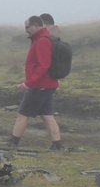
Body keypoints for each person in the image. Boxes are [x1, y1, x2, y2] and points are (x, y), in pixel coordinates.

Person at [8, 14, 62, 151]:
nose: (26, 30)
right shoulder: (40, 39)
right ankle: (57, 145)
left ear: (37, 25)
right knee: (47, 115)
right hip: (46, 85)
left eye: (28, 27)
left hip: (40, 86)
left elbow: (44, 65)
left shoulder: (42, 41)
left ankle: (12, 143)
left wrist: (28, 83)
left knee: (23, 114)